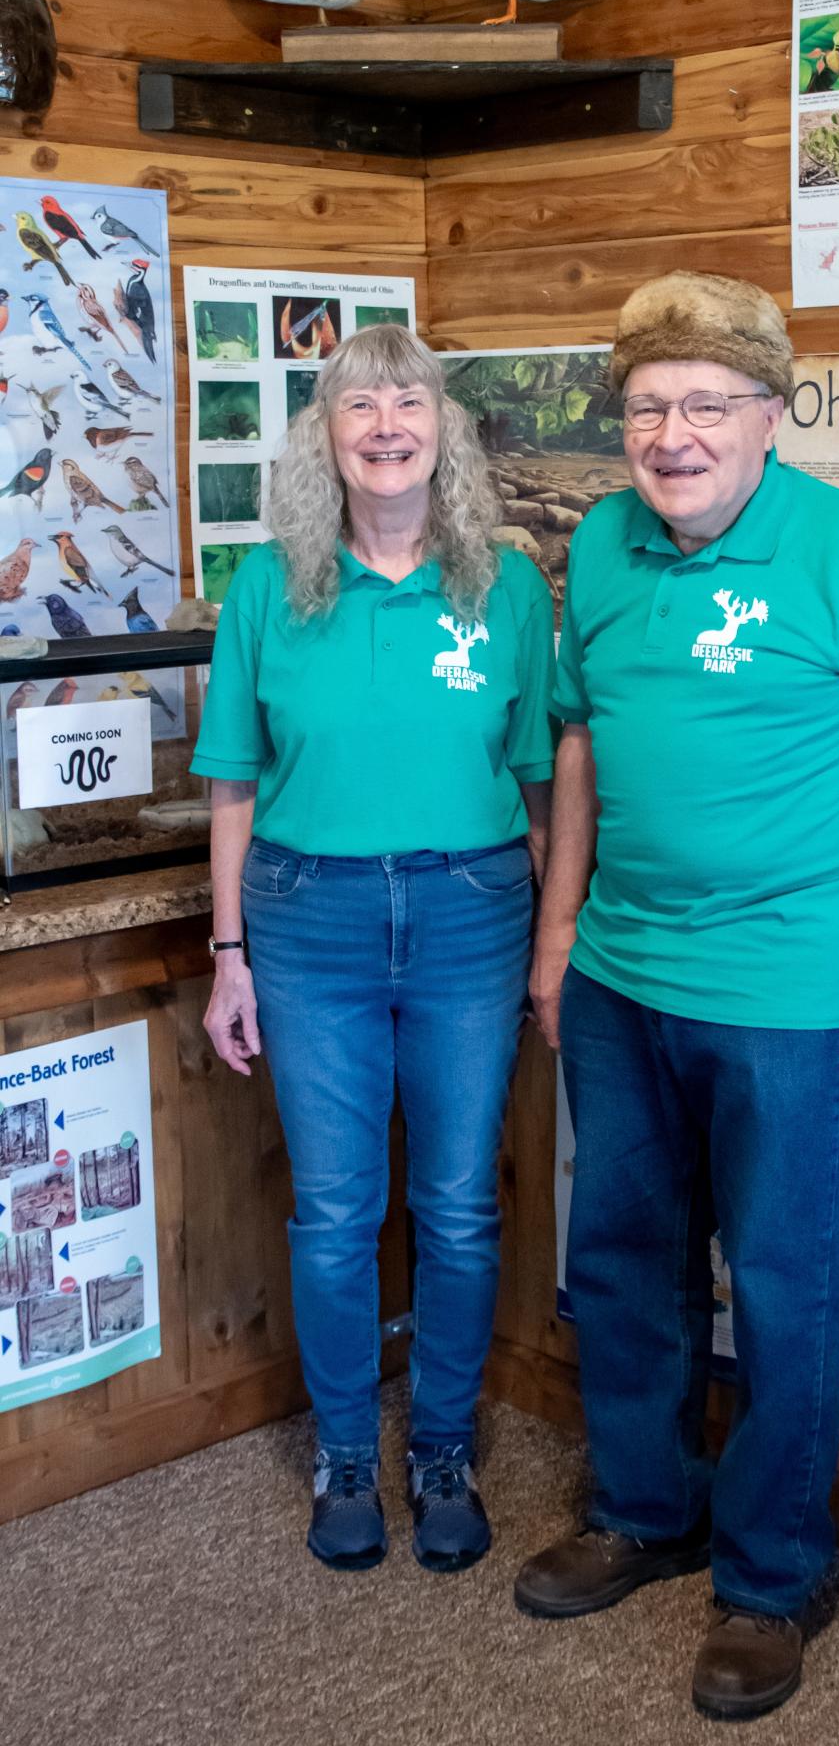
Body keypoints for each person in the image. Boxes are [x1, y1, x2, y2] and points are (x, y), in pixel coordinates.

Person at [514, 272, 839, 1720]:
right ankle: (645, 1509)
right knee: (621, 1259)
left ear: (769, 416)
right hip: (620, 978)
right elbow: (580, 750)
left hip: (798, 998)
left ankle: (768, 1576)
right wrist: (557, 937)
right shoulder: (596, 542)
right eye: (649, 403)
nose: (672, 433)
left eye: (706, 403)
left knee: (781, 1287)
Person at [191, 325, 555, 1575]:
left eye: (411, 401)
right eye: (361, 406)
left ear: (443, 429)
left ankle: (440, 1446)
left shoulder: (504, 586)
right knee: (337, 1212)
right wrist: (229, 950)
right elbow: (233, 784)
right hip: (308, 918)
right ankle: (348, 1455)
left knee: (456, 1209)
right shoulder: (268, 583)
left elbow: (541, 779)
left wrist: (553, 944)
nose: (389, 424)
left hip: (470, 912)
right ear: (326, 436)